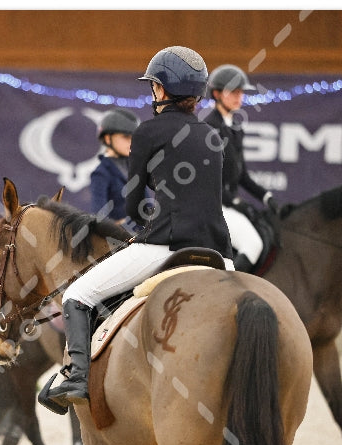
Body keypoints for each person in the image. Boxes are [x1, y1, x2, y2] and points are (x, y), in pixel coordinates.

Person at [39, 46, 234, 415]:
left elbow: (132, 205)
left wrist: (145, 220)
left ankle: (77, 378)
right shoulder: (212, 135)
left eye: (154, 86)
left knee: (77, 295)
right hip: (219, 252)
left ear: (162, 89)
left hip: (165, 246)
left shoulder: (147, 131)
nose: (153, 92)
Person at [202, 64, 278, 272]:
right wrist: (234, 201)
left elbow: (242, 174)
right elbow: (207, 178)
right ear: (217, 94)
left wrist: (266, 197)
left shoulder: (236, 128)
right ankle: (224, 286)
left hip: (227, 205)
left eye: (241, 92)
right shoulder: (208, 128)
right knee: (253, 245)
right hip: (213, 205)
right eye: (233, 92)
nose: (239, 96)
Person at [90, 108, 140, 230]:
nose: (131, 142)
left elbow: (147, 204)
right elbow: (99, 219)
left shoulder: (135, 168)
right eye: (125, 137)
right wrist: (125, 224)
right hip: (119, 239)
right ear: (108, 138)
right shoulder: (101, 173)